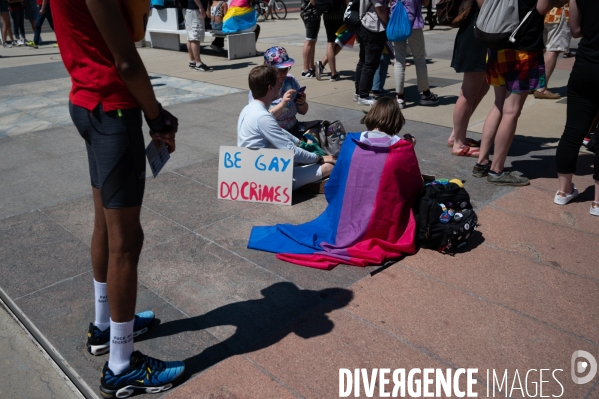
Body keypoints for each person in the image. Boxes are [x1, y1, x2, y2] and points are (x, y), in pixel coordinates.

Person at [51, 0, 186, 396]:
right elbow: (127, 60)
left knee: (105, 227)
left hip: (86, 101)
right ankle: (121, 365)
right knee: (127, 242)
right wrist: (156, 115)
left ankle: (104, 326)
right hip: (114, 110)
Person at [474, 0, 556, 186]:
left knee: (498, 105)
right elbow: (542, 7)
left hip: (497, 43)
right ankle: (497, 170)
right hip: (522, 48)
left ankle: (481, 163)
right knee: (511, 111)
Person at [239, 65, 336, 190]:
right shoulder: (263, 118)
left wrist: (300, 143)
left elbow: (280, 132)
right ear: (270, 88)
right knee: (330, 166)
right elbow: (291, 151)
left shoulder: (249, 109)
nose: (281, 85)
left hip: (255, 166)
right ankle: (305, 184)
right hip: (267, 178)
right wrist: (319, 158)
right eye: (278, 84)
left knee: (305, 159)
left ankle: (307, 177)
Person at [554, 0, 599, 216]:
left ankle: (563, 191)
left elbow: (575, 30)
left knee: (572, 130)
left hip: (586, 66)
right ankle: (597, 202)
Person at [446, 0, 489, 157]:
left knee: (483, 86)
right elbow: (485, 5)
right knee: (468, 92)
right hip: (476, 36)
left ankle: (455, 135)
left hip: (480, 34)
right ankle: (458, 143)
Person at [250, 46, 321, 139]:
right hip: (274, 133)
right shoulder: (260, 86)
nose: (284, 73)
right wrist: (282, 104)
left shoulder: (290, 80)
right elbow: (261, 119)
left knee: (324, 127)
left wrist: (302, 103)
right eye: (280, 70)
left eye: (286, 69)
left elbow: (303, 111)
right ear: (269, 69)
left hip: (293, 128)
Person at [392, 0, 439, 109]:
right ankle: (426, 94)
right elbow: (426, 2)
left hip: (397, 22)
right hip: (413, 23)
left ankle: (400, 97)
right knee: (420, 59)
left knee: (399, 61)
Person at [354, 0, 389, 106]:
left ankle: (359, 92)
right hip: (373, 27)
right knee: (370, 63)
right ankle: (364, 95)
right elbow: (381, 9)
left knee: (363, 61)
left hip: (363, 24)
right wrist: (390, 25)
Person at [534, 2, 570, 99]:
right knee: (553, 50)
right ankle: (541, 88)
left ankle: (534, 84)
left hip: (542, 13)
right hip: (558, 13)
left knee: (540, 50)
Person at [314, 0, 346, 81]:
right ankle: (332, 72)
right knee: (343, 40)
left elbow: (313, 2)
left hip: (327, 14)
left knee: (330, 42)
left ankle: (331, 71)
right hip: (340, 14)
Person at [186, 0, 212, 71]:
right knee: (195, 37)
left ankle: (192, 61)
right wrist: (201, 7)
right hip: (195, 9)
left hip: (190, 9)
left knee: (190, 37)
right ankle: (198, 63)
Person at [300, 0, 320, 78]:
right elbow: (313, 1)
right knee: (309, 41)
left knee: (312, 41)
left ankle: (311, 66)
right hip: (311, 14)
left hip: (309, 13)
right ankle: (305, 70)